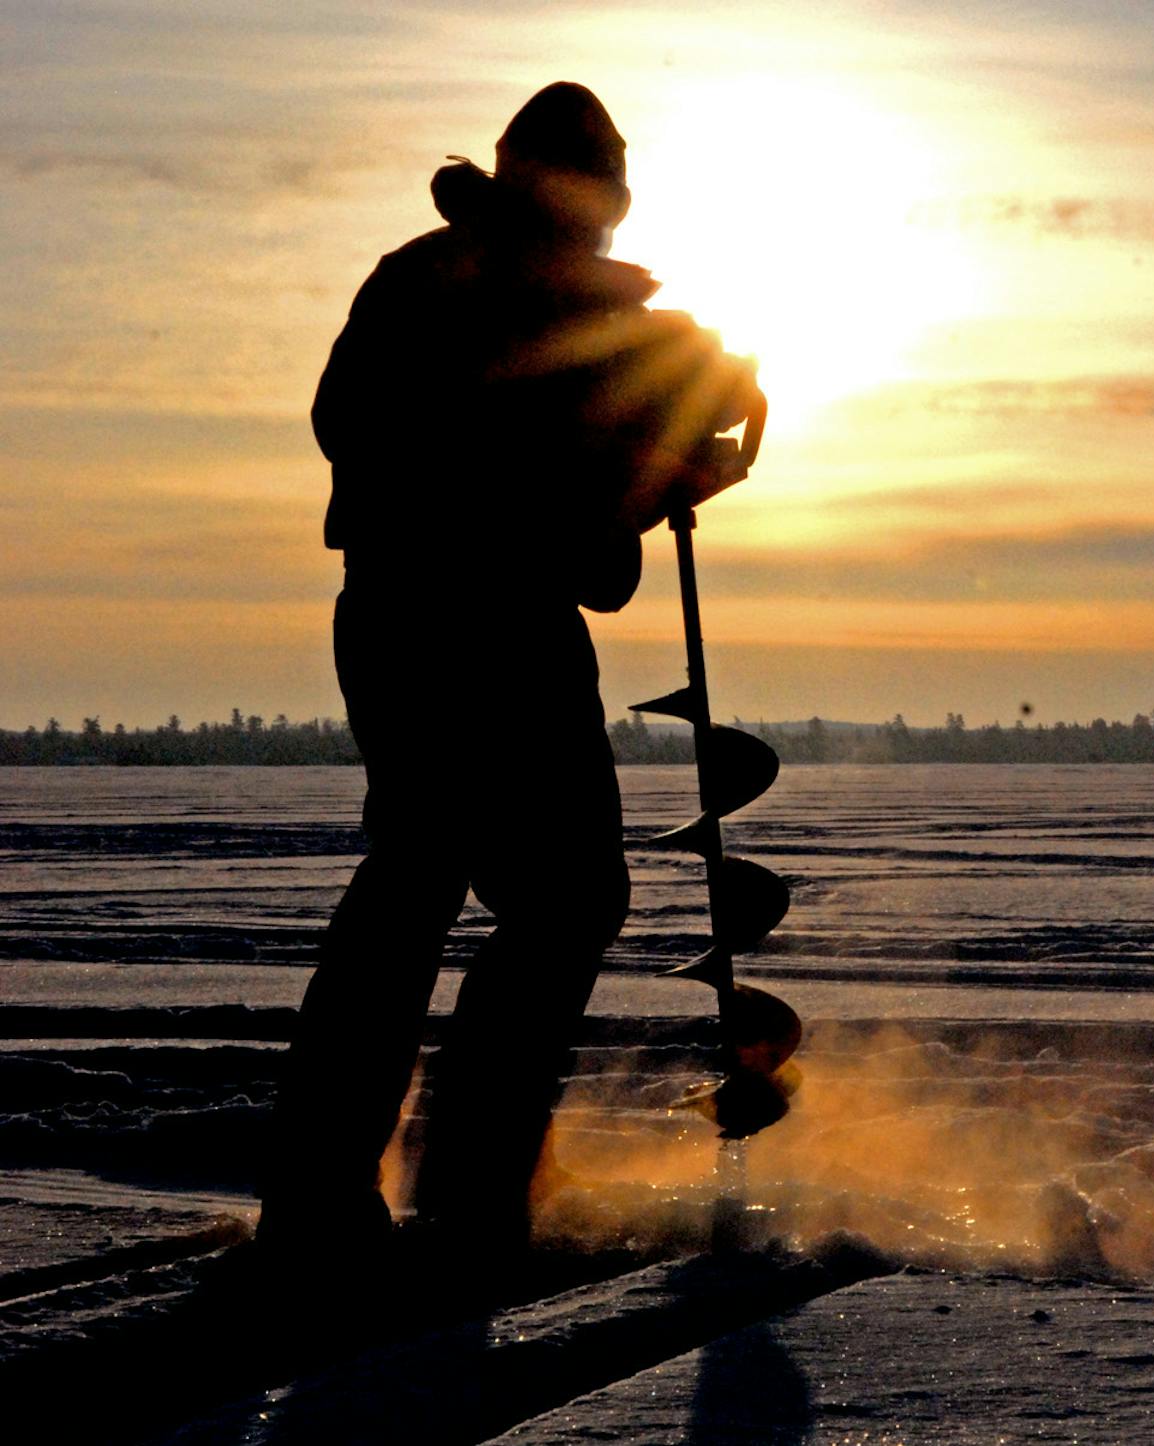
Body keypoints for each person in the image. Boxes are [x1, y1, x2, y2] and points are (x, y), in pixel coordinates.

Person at [259, 82, 752, 1264]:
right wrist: (635, 428)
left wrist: (662, 454)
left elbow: (581, 449)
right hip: (455, 621)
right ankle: (405, 1191)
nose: (600, 220)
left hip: (453, 617)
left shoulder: (484, 287)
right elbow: (417, 430)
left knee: (490, 888)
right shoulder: (468, 283)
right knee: (486, 884)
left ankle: (423, 1183)